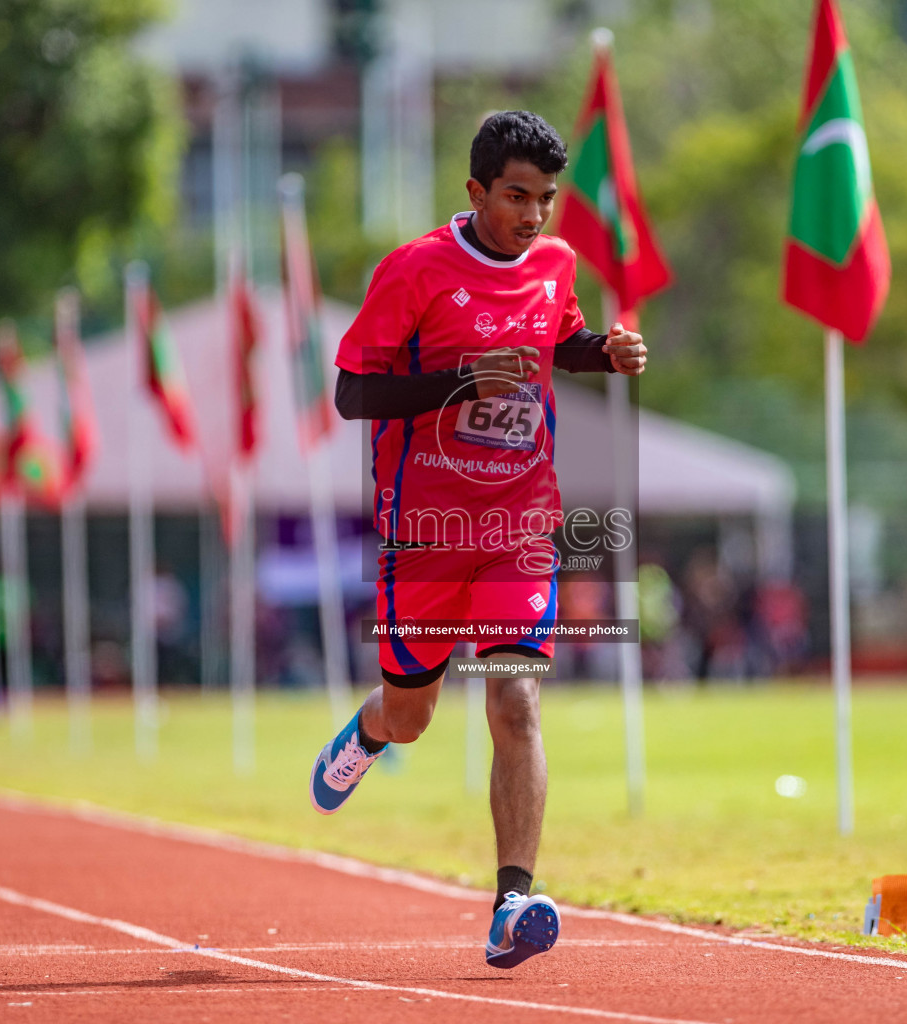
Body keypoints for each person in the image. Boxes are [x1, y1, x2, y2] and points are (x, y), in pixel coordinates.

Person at [309, 110, 649, 969]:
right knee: (415, 716)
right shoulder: (416, 272)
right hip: (423, 531)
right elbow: (352, 396)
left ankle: (512, 902)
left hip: (519, 525)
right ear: (476, 191)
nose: (533, 216)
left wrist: (601, 353)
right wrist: (458, 380)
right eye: (515, 197)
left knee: (515, 701)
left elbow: (555, 342)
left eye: (544, 200)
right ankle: (371, 732)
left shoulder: (557, 262)